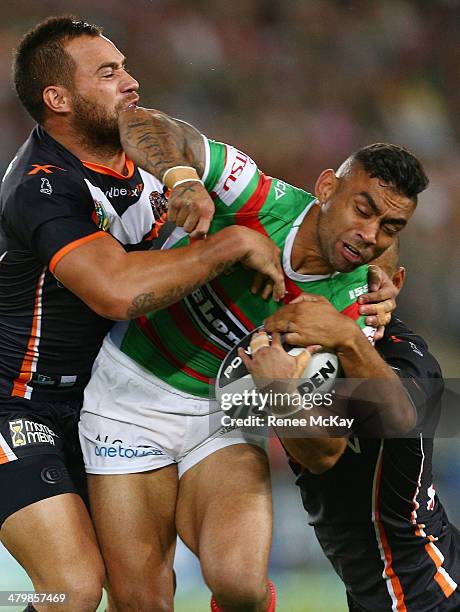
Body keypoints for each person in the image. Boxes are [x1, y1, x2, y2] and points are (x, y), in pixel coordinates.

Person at [79, 107, 428, 611]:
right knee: (141, 603)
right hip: (131, 395)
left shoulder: (358, 309)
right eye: (364, 210)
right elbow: (141, 124)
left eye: (390, 228)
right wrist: (182, 179)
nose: (371, 236)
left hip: (228, 416)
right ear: (327, 188)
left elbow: (325, 453)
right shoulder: (257, 196)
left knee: (240, 585)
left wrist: (279, 394)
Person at [0, 16, 286, 612]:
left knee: (146, 596)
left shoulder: (148, 151)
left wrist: (369, 272)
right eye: (107, 73)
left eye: (126, 66)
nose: (130, 82)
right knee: (71, 591)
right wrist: (229, 246)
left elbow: (291, 210)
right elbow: (114, 292)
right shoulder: (41, 186)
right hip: (20, 406)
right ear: (59, 99)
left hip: (113, 402)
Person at [242, 243, 460, 611]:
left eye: (364, 282)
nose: (346, 294)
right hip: (373, 592)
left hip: (423, 592)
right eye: (338, 278)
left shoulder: (407, 358)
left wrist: (282, 392)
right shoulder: (286, 349)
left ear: (395, 283)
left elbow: (329, 449)